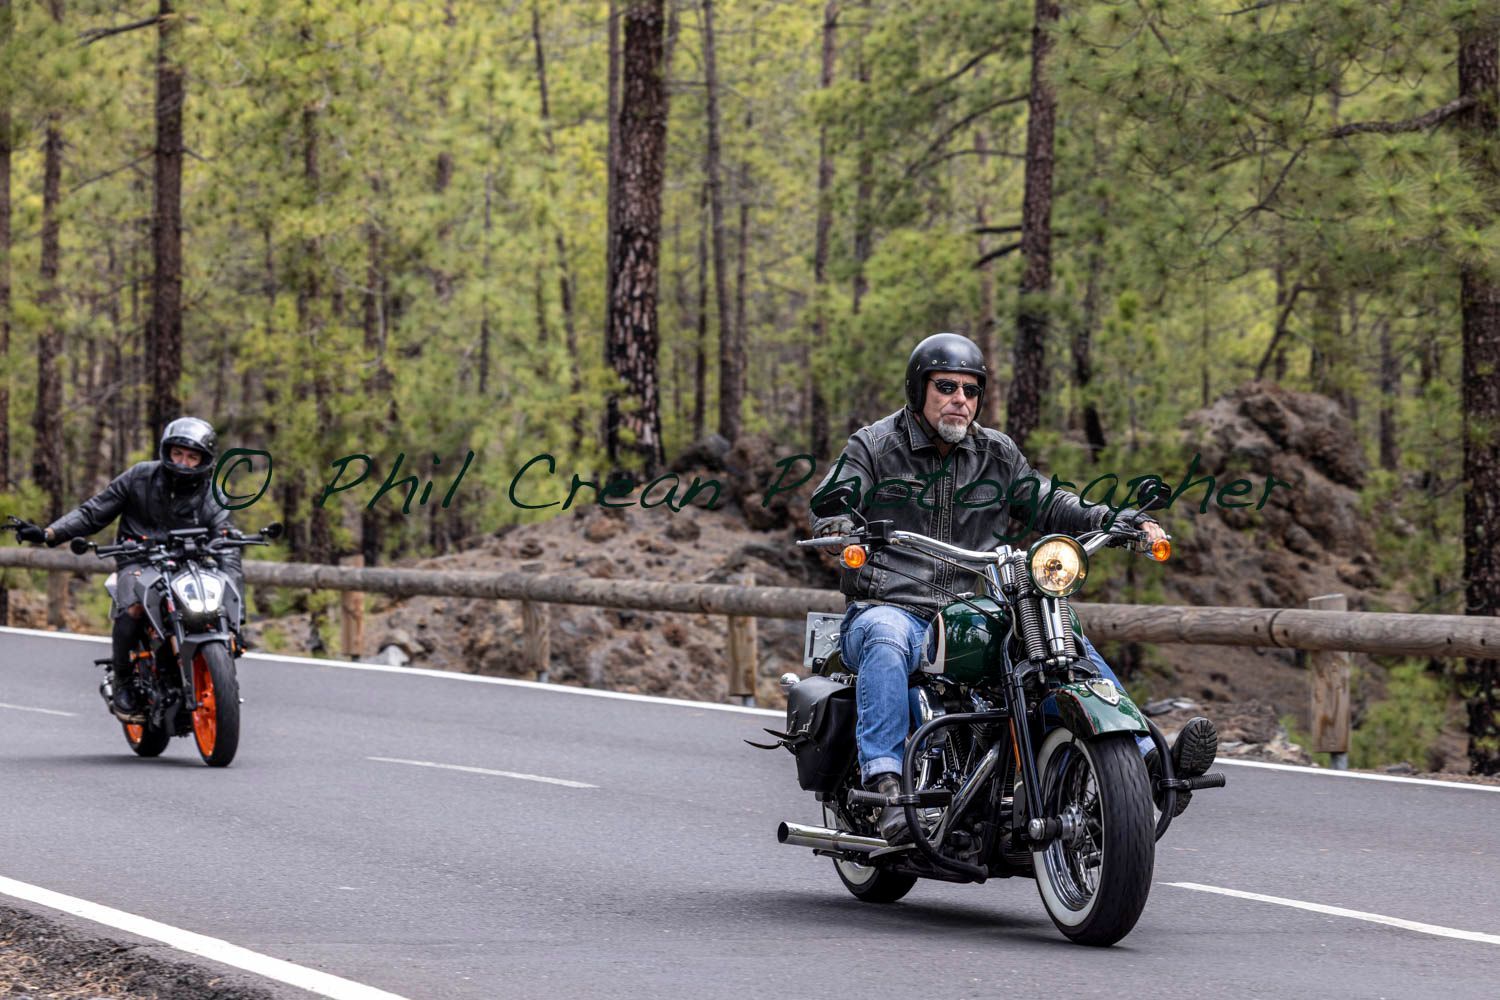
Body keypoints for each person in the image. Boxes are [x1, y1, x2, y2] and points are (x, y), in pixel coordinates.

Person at [808, 333, 1216, 844]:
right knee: (886, 637)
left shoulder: (996, 453)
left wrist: (1114, 520)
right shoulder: (874, 445)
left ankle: (1144, 758)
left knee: (1062, 631)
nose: (960, 399)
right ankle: (886, 784)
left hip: (970, 609)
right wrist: (840, 527)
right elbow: (833, 499)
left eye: (971, 390)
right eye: (946, 387)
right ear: (918, 389)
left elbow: (1048, 500)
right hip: (890, 603)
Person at [13, 417, 240, 718]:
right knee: (134, 607)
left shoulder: (213, 492)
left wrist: (237, 620)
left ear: (204, 460)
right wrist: (49, 534)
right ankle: (123, 679)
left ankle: (216, 655)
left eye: (192, 456)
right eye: (177, 453)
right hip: (139, 558)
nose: (183, 462)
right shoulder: (139, 476)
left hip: (190, 561)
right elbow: (93, 512)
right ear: (167, 451)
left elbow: (226, 542)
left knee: (213, 600)